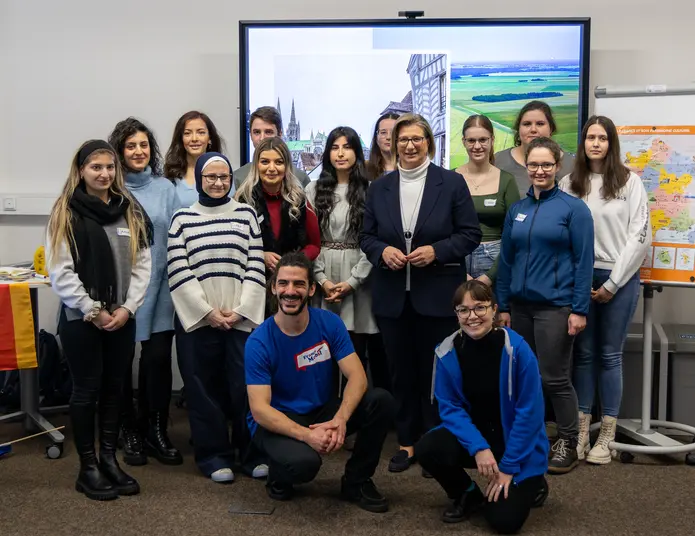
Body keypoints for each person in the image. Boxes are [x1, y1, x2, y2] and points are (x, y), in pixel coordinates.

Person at [360, 113, 482, 474]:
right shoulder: (379, 187)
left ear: (428, 141)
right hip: (393, 299)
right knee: (401, 373)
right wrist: (382, 252)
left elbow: (469, 234)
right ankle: (408, 442)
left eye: (417, 139)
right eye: (402, 140)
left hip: (437, 295)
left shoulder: (452, 183)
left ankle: (436, 445)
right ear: (393, 144)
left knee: (440, 373)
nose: (409, 146)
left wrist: (437, 251)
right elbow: (366, 238)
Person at [245, 252, 395, 512]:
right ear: (273, 288)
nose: (290, 291)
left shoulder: (330, 323)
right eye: (283, 283)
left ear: (311, 288)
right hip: (278, 419)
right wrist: (308, 436)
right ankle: (278, 475)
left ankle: (356, 481)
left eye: (299, 284)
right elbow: (260, 410)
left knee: (380, 401)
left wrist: (341, 419)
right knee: (305, 465)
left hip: (321, 411)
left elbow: (358, 377)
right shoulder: (259, 341)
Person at [46, 140, 152, 500]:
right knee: (86, 390)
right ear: (81, 172)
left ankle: (109, 459)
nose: (104, 174)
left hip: (122, 318)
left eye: (110, 167)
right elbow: (59, 270)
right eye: (96, 168)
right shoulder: (66, 211)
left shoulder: (129, 210)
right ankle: (87, 466)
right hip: (82, 320)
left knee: (114, 389)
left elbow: (142, 265)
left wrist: (127, 309)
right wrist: (92, 309)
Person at [415, 280, 548, 534]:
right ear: (456, 313)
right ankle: (467, 494)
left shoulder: (518, 350)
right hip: (480, 440)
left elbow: (529, 415)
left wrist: (508, 468)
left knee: (504, 522)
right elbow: (451, 409)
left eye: (480, 308)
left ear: (494, 310)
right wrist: (479, 448)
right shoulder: (446, 351)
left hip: (516, 447)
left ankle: (534, 481)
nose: (472, 316)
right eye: (463, 310)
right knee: (427, 448)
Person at [496, 137, 594, 474]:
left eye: (546, 165)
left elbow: (584, 263)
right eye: (534, 165)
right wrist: (503, 305)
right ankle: (530, 438)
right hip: (519, 308)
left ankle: (568, 441)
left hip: (556, 308)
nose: (540, 170)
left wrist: (579, 309)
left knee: (554, 378)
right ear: (527, 167)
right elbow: (507, 261)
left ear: (558, 167)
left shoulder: (573, 209)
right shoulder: (517, 210)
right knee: (524, 378)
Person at [168, 152, 267, 483]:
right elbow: (178, 270)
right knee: (202, 389)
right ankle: (213, 456)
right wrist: (207, 312)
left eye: (224, 177)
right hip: (199, 322)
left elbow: (254, 266)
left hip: (241, 319)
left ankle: (251, 453)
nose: (218, 182)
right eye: (210, 177)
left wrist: (240, 311)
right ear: (199, 179)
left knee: (245, 388)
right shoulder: (182, 219)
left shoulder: (246, 215)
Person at [559, 115, 651, 464]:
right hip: (580, 278)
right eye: (590, 137)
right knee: (582, 355)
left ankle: (607, 437)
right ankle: (582, 432)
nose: (596, 143)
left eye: (602, 138)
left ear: (611, 143)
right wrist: (579, 282)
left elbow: (639, 237)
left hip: (620, 278)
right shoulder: (570, 182)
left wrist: (612, 283)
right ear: (582, 143)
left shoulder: (630, 182)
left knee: (610, 355)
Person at [108, 118, 182, 467]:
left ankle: (155, 427)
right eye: (130, 146)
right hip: (122, 289)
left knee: (156, 360)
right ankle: (127, 429)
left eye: (144, 145)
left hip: (162, 284)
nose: (139, 151)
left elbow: (177, 236)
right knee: (121, 362)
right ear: (120, 151)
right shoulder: (110, 186)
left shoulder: (166, 188)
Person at [305, 126, 377, 373]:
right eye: (335, 147)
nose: (341, 153)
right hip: (321, 272)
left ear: (357, 152)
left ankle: (354, 409)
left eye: (347, 147)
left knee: (356, 354)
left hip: (359, 274)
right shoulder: (312, 190)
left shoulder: (371, 190)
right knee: (320, 354)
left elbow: (374, 241)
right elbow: (308, 240)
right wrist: (322, 280)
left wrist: (353, 282)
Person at [235, 136, 320, 316]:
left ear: (287, 166)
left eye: (279, 162)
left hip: (292, 288)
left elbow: (314, 245)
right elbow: (234, 248)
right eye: (265, 161)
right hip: (253, 286)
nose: (272, 168)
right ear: (256, 165)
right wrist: (260, 255)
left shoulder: (300, 199)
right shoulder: (242, 200)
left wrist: (290, 262)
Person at [455, 115, 520, 285]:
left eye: (483, 140)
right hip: (457, 261)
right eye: (471, 140)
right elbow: (440, 230)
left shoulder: (506, 180)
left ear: (492, 140)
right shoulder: (449, 179)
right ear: (463, 141)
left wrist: (489, 277)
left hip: (495, 261)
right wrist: (458, 272)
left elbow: (513, 234)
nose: (477, 146)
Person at [495, 101, 575, 195]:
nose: (533, 129)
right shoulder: (498, 161)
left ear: (551, 129)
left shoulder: (572, 165)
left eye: (540, 124)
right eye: (527, 124)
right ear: (518, 129)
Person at [234, 106, 311, 190]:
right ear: (251, 135)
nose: (262, 138)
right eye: (257, 132)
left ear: (280, 135)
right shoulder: (238, 178)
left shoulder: (300, 179)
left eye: (268, 132)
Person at [163, 110, 228, 207]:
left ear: (209, 138)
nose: (194, 139)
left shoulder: (224, 171)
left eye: (201, 133)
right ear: (181, 139)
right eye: (187, 133)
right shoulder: (169, 176)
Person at [366, 112, 400, 180]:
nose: (388, 137)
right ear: (376, 137)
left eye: (394, 133)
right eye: (383, 132)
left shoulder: (411, 169)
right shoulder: (365, 169)